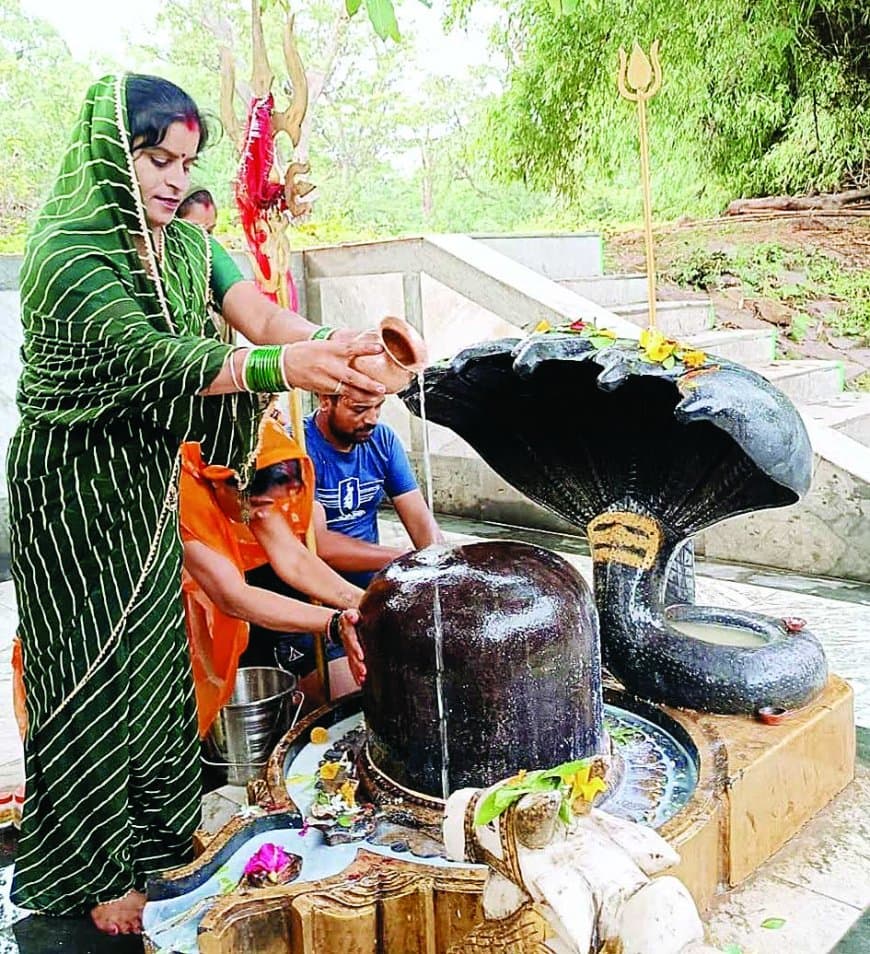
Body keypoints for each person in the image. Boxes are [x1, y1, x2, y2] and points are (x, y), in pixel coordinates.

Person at [8, 73, 385, 935]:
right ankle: (97, 873)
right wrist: (280, 371)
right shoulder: (70, 253)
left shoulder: (184, 243)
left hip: (143, 477)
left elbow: (255, 313)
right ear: (114, 158)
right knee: (90, 674)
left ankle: (157, 839)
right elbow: (151, 358)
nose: (176, 180)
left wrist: (344, 344)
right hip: (71, 488)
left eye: (186, 161)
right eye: (155, 159)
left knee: (152, 669)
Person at [180, 418, 365, 731]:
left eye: (272, 505)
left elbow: (294, 559)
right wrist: (334, 623)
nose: (263, 514)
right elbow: (233, 596)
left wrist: (366, 603)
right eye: (255, 505)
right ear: (219, 481)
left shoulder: (259, 456)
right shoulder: (186, 493)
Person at [304, 389, 443, 588]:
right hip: (317, 588)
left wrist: (439, 560)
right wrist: (407, 558)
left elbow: (419, 519)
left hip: (370, 584)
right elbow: (320, 545)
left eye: (378, 406)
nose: (372, 419)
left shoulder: (382, 440)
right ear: (325, 401)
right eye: (359, 409)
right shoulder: (299, 448)